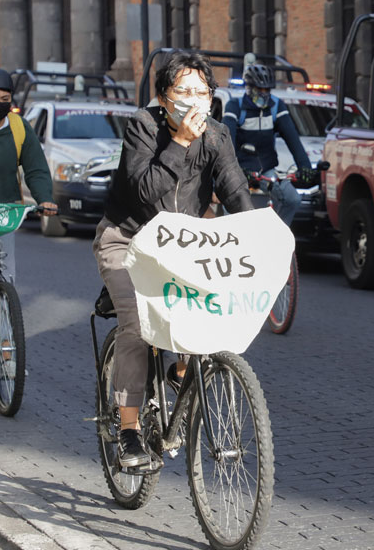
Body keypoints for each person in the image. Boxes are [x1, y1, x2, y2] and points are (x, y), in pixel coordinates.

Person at [92, 52, 253, 468]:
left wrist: (259, 231)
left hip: (182, 244)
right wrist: (180, 142)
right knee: (138, 324)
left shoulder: (217, 135)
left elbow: (234, 189)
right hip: (127, 240)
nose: (193, 99)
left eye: (202, 91)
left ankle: (180, 373)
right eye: (183, 91)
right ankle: (128, 431)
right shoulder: (142, 129)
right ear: (163, 98)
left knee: (203, 312)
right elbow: (145, 190)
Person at [222, 63, 317, 226]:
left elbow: (292, 137)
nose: (264, 94)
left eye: (267, 90)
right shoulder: (235, 106)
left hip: (266, 169)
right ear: (249, 88)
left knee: (292, 199)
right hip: (239, 168)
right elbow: (226, 139)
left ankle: (276, 236)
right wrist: (233, 168)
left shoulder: (276, 105)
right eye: (260, 90)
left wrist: (304, 165)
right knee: (235, 209)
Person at [0, 69, 58, 283]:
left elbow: (36, 168)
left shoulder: (18, 127)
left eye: (5, 99)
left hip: (5, 212)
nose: (0, 104)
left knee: (7, 274)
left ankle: (6, 310)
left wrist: (45, 199)